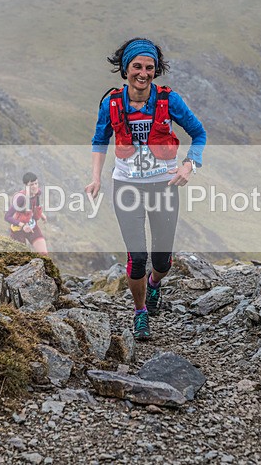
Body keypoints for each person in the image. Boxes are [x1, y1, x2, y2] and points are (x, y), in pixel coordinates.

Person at [86, 37, 206, 341]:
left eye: (149, 67)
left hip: (164, 186)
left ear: (156, 70)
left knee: (162, 261)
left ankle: (154, 284)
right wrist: (96, 178)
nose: (143, 73)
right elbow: (100, 140)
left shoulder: (169, 100)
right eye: (137, 66)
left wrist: (189, 165)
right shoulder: (112, 103)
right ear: (125, 69)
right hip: (126, 187)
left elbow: (199, 133)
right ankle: (140, 312)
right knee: (137, 256)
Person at [5, 172, 48, 255]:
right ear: (26, 186)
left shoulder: (37, 193)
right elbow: (7, 216)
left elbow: (34, 205)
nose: (35, 186)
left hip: (32, 227)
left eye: (36, 183)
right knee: (22, 257)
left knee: (44, 254)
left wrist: (42, 215)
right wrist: (23, 226)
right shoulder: (21, 198)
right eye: (31, 184)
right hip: (18, 231)